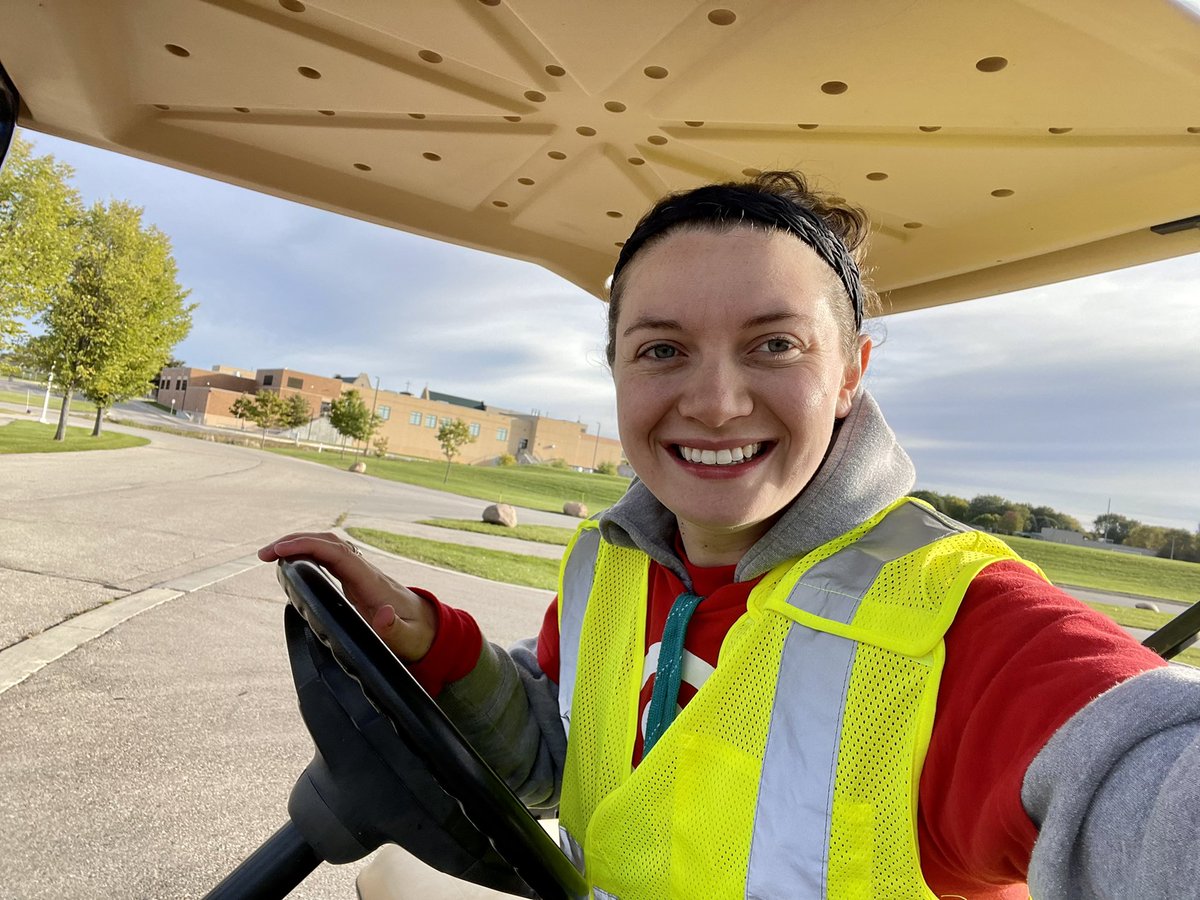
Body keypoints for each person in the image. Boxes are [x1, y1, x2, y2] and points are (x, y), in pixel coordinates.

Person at [259, 172, 1197, 899]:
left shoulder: (964, 622)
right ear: (618, 372)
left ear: (850, 374)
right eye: (662, 349)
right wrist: (437, 646)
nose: (713, 403)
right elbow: (561, 765)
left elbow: (1149, 780)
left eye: (774, 345)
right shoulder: (615, 563)